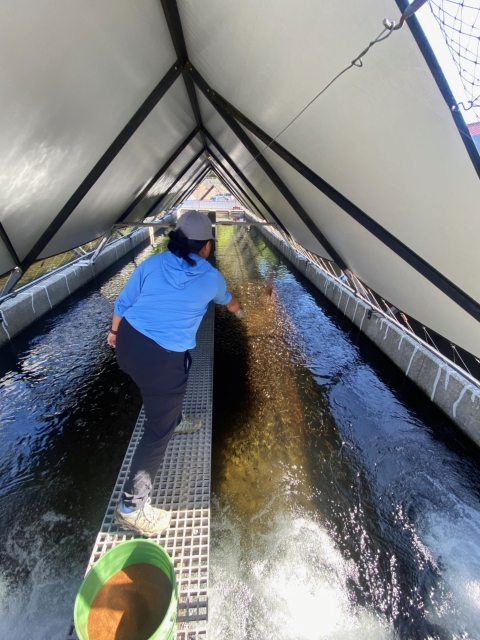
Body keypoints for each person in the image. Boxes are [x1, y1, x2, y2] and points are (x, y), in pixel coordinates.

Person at [107, 210, 242, 537]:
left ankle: (174, 415)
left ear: (177, 240)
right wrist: (242, 310)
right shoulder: (211, 279)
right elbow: (230, 302)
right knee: (157, 431)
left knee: (181, 367)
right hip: (162, 361)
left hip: (128, 344)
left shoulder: (152, 264)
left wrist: (114, 335)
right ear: (207, 246)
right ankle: (131, 507)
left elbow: (122, 304)